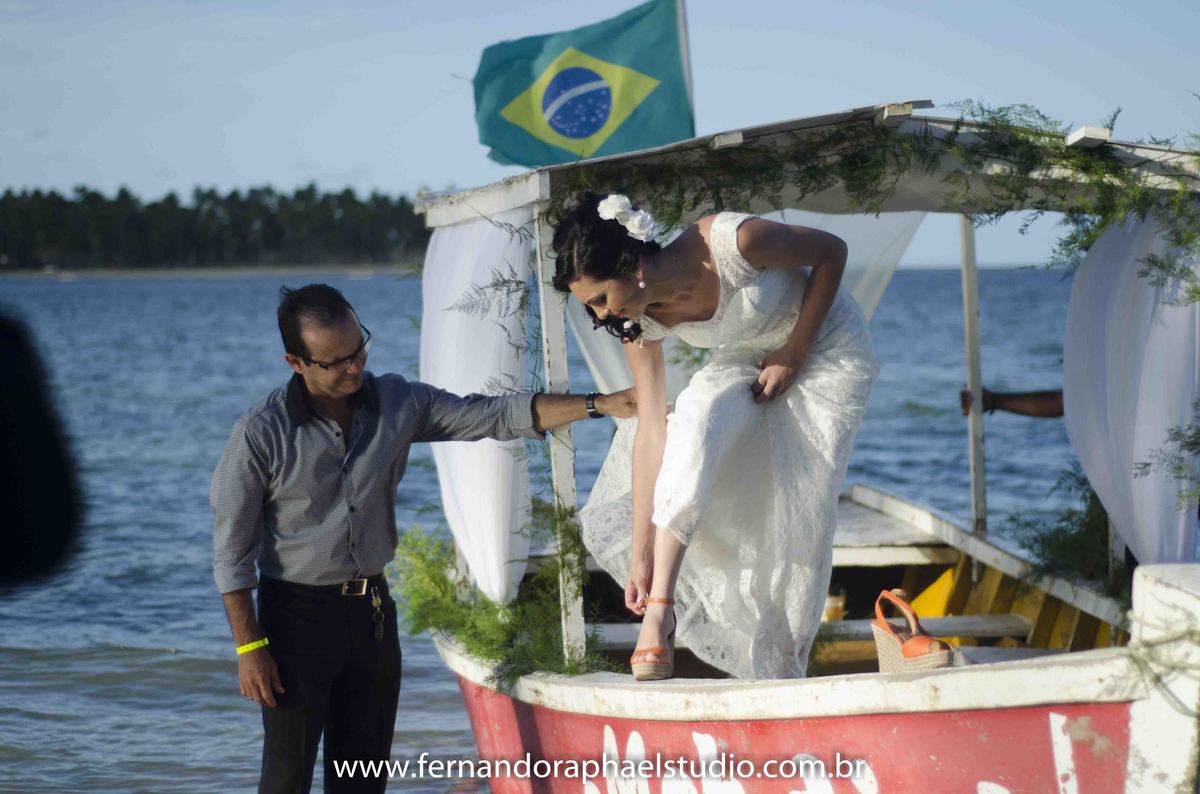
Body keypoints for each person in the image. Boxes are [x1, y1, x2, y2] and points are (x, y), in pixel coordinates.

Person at [211, 283, 636, 794]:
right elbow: (231, 555)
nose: (355, 366)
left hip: (370, 615)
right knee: (286, 778)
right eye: (337, 361)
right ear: (296, 362)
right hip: (294, 621)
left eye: (359, 348)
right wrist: (250, 647)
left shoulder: (399, 402)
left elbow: (492, 414)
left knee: (362, 774)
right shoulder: (260, 433)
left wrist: (600, 403)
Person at [550, 193, 877, 680]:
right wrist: (640, 550)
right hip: (750, 354)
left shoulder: (732, 241)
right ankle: (661, 608)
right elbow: (652, 430)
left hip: (825, 347)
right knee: (696, 419)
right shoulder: (638, 322)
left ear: (632, 264)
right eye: (590, 307)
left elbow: (832, 251)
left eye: (600, 300)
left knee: (791, 513)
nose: (599, 316)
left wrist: (794, 351)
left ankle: (782, 665)